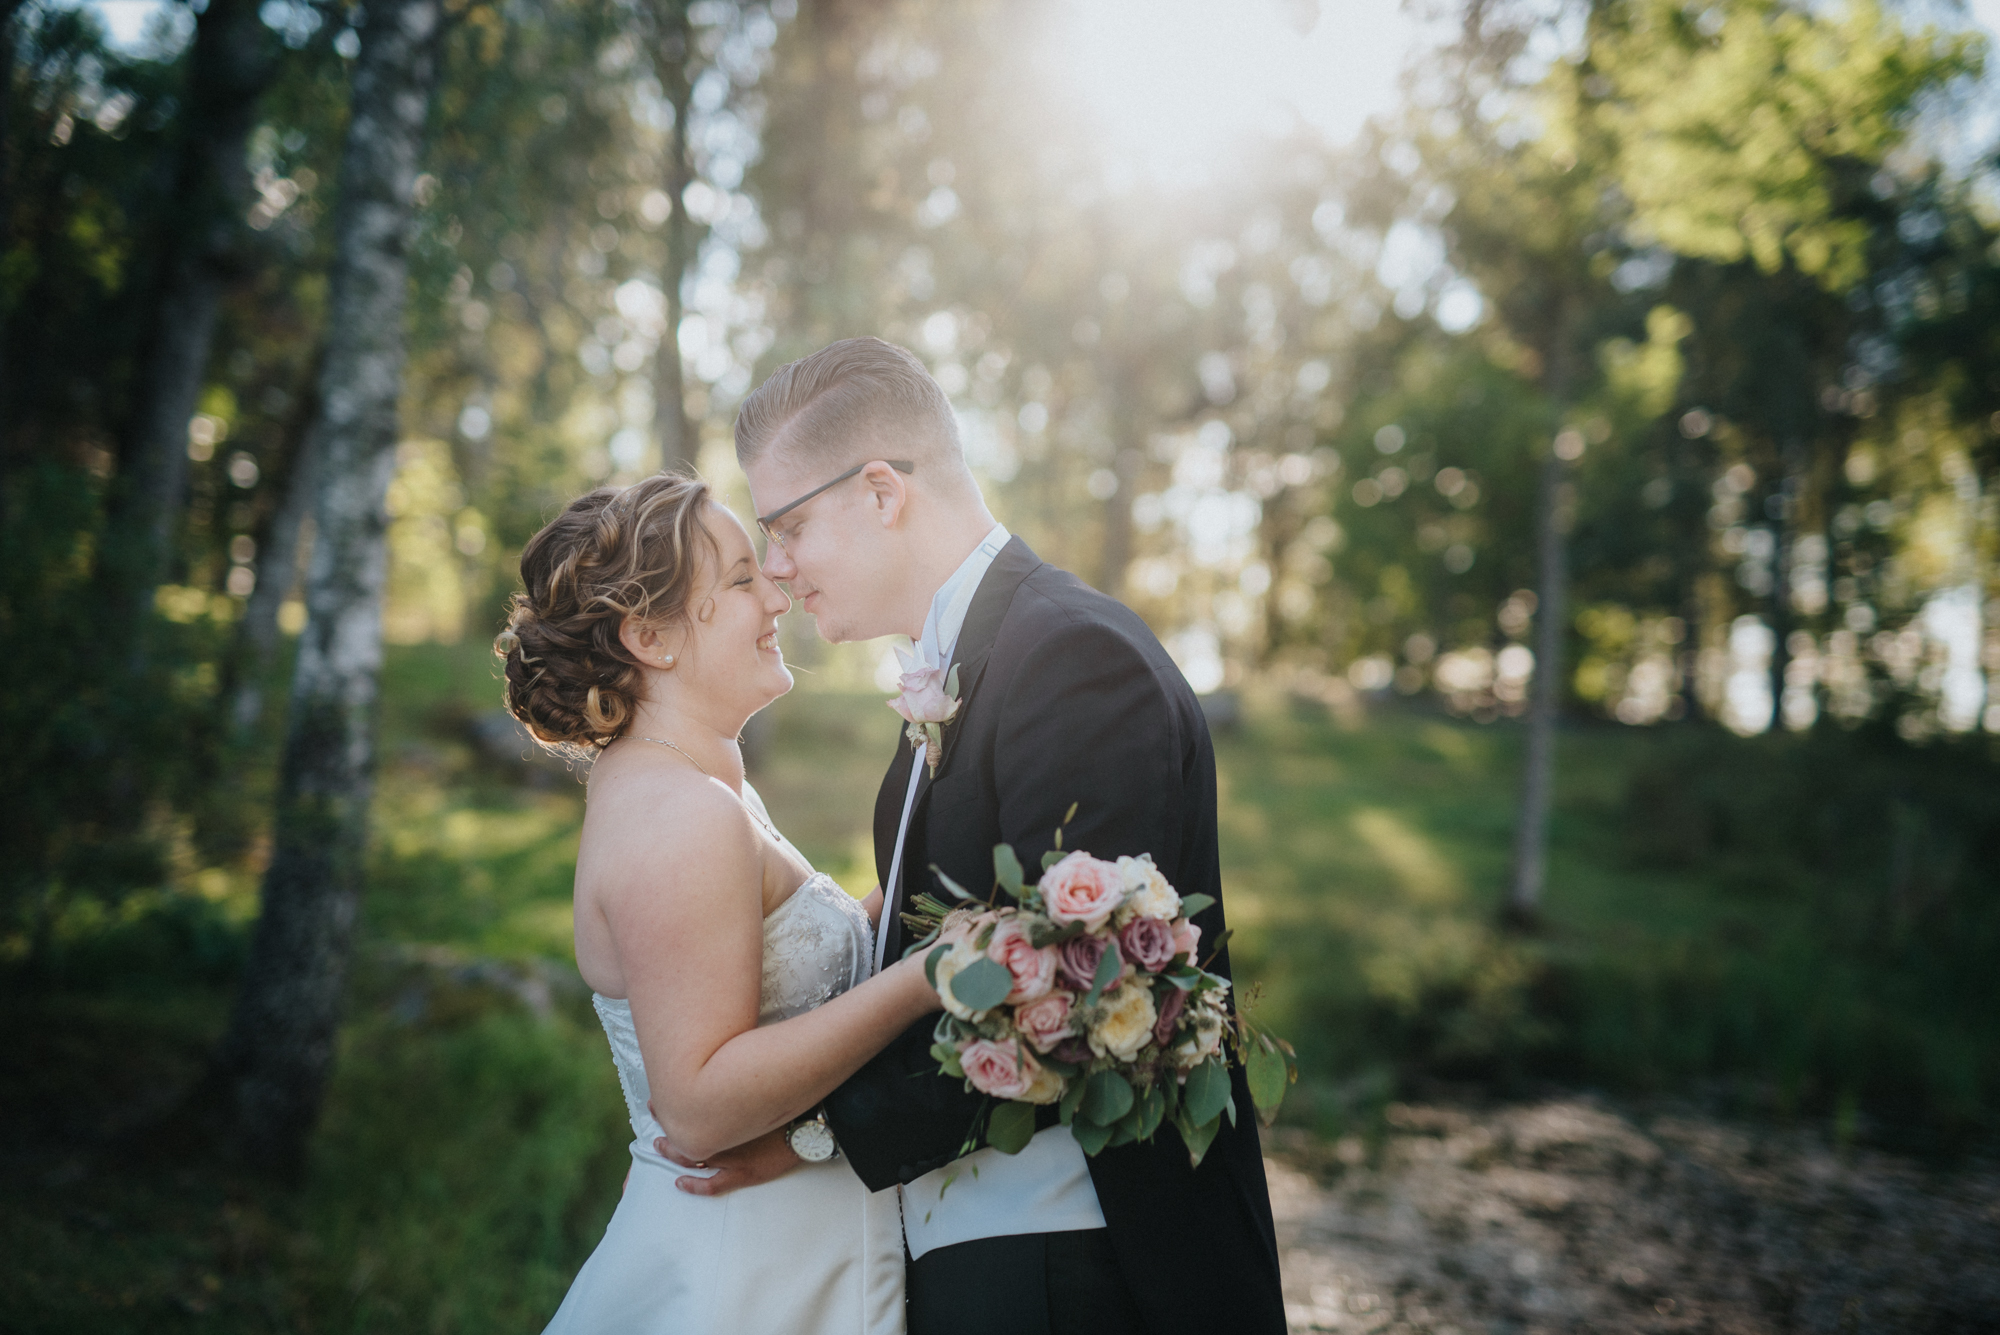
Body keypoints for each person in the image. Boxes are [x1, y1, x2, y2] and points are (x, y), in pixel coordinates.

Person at [680, 337, 1287, 1335]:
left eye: (786, 528)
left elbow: (1073, 988)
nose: (778, 573)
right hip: (986, 1243)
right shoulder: (970, 662)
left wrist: (817, 1139)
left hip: (1081, 1256)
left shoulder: (1071, 658)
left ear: (881, 491)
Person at [497, 473, 939, 1335]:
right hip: (742, 1280)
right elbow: (697, 1106)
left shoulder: (691, 789)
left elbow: (777, 974)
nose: (777, 591)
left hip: (789, 1249)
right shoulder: (680, 815)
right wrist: (925, 980)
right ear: (649, 635)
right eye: (741, 578)